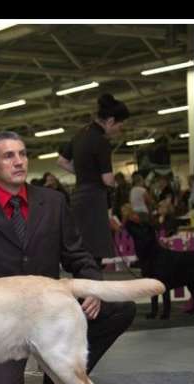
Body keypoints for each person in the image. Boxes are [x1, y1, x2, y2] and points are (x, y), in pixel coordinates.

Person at [0, 131, 136, 384]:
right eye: (8, 156)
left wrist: (92, 285)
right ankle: (52, 371)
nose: (19, 161)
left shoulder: (54, 202)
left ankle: (60, 376)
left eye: (23, 154)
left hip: (50, 312)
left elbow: (76, 253)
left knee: (121, 308)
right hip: (1, 322)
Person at [57, 93, 130, 266]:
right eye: (120, 124)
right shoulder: (102, 141)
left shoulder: (81, 133)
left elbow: (61, 161)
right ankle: (93, 291)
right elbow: (108, 179)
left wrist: (84, 175)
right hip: (95, 200)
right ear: (111, 121)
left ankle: (84, 291)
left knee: (82, 251)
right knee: (95, 253)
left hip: (78, 198)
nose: (120, 128)